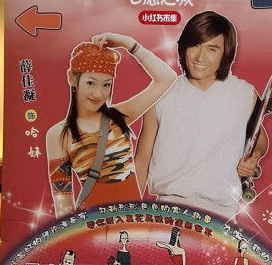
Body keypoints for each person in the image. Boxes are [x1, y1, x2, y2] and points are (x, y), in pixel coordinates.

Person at [135, 11, 268, 219]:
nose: (200, 57)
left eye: (212, 49)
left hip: (221, 214)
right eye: (195, 45)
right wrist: (128, 210)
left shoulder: (244, 93)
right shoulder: (162, 93)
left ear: (226, 53)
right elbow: (142, 160)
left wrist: (254, 157)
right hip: (167, 211)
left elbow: (260, 138)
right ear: (184, 47)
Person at [46, 33, 176, 216]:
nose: (98, 94)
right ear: (72, 78)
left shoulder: (119, 116)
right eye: (91, 83)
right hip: (93, 225)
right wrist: (72, 234)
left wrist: (128, 43)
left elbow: (167, 78)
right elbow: (62, 199)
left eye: (106, 85)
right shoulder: (59, 134)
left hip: (131, 221)